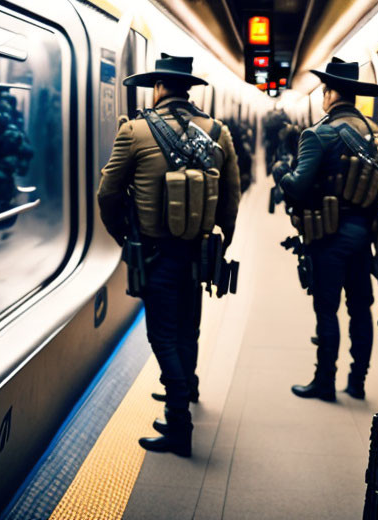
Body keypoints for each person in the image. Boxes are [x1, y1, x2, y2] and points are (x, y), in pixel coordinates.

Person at [97, 53, 241, 457]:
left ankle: (179, 422)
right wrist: (221, 242)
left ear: (158, 88)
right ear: (187, 89)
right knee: (188, 326)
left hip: (155, 252)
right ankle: (187, 388)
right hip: (197, 251)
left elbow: (107, 193)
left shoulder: (135, 131)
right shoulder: (218, 131)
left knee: (162, 334)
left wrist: (125, 237)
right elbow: (231, 197)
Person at [280, 57, 378, 402]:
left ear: (329, 94)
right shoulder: (375, 132)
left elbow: (298, 187)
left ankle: (324, 382)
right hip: (364, 234)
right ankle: (357, 382)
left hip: (328, 235)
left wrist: (282, 175)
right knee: (360, 307)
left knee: (327, 308)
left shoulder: (318, 134)